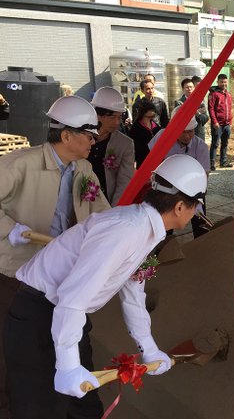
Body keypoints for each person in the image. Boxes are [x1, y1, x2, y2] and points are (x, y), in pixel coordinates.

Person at [4, 155, 207, 419]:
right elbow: (73, 296)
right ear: (180, 207)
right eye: (195, 207)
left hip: (68, 319)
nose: (194, 213)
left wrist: (148, 348)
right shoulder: (126, 229)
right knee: (41, 407)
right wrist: (67, 365)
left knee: (85, 409)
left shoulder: (145, 229)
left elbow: (133, 293)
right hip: (39, 317)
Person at [0, 95, 110, 416]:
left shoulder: (84, 169)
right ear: (65, 135)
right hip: (15, 277)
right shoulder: (19, 164)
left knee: (74, 346)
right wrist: (10, 228)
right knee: (15, 356)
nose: (94, 141)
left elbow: (101, 212)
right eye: (89, 135)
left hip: (62, 277)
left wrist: (121, 243)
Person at [149, 107, 211, 238]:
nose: (188, 136)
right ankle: (161, 253)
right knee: (164, 226)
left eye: (191, 132)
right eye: (184, 132)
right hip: (166, 189)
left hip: (193, 189)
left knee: (200, 224)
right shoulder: (162, 137)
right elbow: (151, 162)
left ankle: (204, 250)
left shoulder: (200, 146)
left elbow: (204, 175)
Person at [88, 87, 135, 205]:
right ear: (98, 114)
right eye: (112, 117)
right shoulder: (80, 137)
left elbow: (124, 181)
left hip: (107, 203)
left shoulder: (124, 144)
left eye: (119, 117)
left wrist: (114, 211)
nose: (117, 122)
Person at [208, 74, 233, 170]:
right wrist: (215, 122)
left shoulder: (228, 94)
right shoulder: (213, 94)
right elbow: (211, 109)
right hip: (217, 124)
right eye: (221, 82)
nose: (223, 84)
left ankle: (223, 161)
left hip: (227, 124)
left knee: (225, 143)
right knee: (215, 143)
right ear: (217, 82)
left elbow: (229, 108)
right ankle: (212, 163)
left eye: (225, 82)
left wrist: (230, 122)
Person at [174, 78, 209, 142]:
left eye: (191, 87)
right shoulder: (179, 102)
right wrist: (197, 112)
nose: (189, 89)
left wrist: (197, 113)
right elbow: (182, 119)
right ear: (183, 89)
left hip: (199, 134)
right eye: (187, 87)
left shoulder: (200, 101)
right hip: (185, 135)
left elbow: (205, 118)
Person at [129, 99, 161, 168]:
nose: (151, 119)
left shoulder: (156, 126)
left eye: (153, 116)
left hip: (157, 161)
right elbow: (134, 148)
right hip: (143, 162)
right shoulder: (136, 128)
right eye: (148, 117)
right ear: (143, 113)